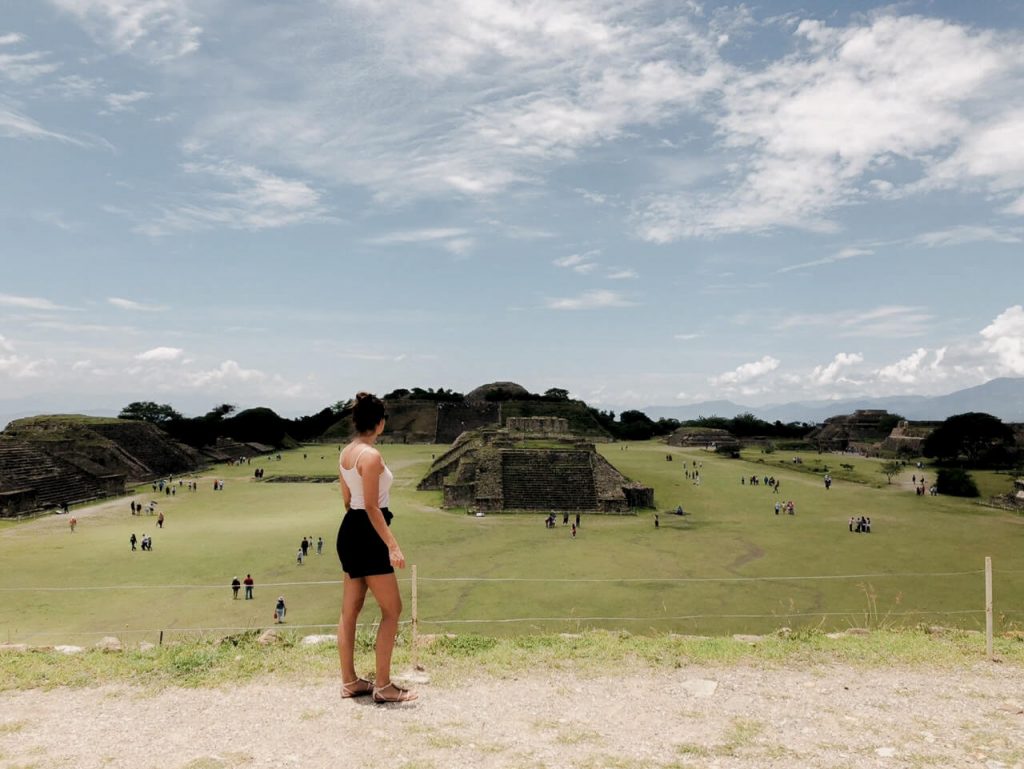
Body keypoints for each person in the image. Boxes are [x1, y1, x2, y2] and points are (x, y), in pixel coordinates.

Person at [336, 392, 416, 703]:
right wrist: (392, 546)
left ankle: (350, 682)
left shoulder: (347, 452)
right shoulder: (371, 456)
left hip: (351, 529)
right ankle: (383, 685)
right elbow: (371, 506)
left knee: (349, 611)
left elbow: (348, 500)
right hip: (370, 531)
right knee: (393, 610)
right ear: (380, 424)